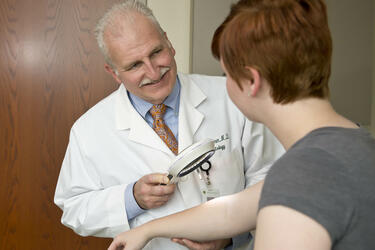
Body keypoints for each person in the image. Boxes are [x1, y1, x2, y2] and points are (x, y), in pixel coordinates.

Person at [107, 0, 375, 249]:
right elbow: (231, 211)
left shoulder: (299, 178)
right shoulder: (353, 142)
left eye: (227, 74)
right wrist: (147, 230)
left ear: (251, 81)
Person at [53, 0, 284, 249]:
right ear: (113, 73)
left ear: (168, 42)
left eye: (156, 52)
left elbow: (271, 177)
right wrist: (132, 198)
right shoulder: (88, 130)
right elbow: (74, 209)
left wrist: (231, 235)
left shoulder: (231, 97)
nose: (153, 72)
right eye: (134, 65)